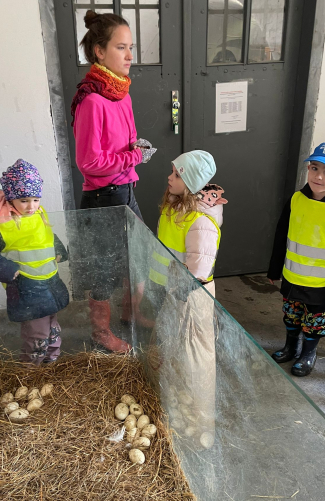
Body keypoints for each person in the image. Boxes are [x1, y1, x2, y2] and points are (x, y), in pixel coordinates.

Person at [71, 9, 156, 353]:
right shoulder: (92, 101)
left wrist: (135, 154)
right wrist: (134, 158)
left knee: (139, 256)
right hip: (103, 197)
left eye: (130, 47)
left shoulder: (122, 94)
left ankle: (130, 312)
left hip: (125, 190)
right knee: (103, 271)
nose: (130, 55)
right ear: (99, 52)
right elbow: (89, 163)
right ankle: (101, 333)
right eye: (121, 48)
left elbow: (128, 142)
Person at [148, 150, 227, 449]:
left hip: (189, 296)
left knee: (194, 353)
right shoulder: (175, 207)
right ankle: (171, 401)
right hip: (171, 290)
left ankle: (197, 419)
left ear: (192, 183)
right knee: (172, 345)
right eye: (172, 171)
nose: (169, 177)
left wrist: (180, 293)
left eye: (177, 174)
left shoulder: (200, 220)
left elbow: (199, 267)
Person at [267, 142, 325, 376]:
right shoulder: (296, 200)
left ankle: (308, 353)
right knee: (291, 315)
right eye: (314, 168)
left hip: (321, 284)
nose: (319, 176)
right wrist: (274, 270)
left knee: (314, 322)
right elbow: (281, 235)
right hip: (292, 277)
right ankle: (291, 346)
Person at [0, 159, 69, 366]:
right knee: (37, 335)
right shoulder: (0, 223)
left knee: (52, 329)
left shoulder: (39, 214)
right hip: (26, 286)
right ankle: (30, 371)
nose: (31, 206)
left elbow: (47, 236)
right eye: (24, 200)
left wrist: (59, 250)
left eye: (36, 199)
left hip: (50, 282)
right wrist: (7, 269)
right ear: (11, 198)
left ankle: (51, 363)